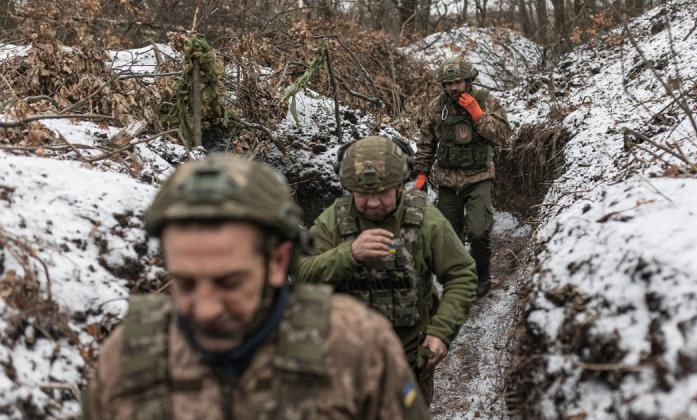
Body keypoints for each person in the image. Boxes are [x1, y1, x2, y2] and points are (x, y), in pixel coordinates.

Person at [82, 154, 429, 420]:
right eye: (185, 283)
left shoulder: (354, 346)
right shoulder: (128, 359)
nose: (205, 309)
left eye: (229, 282)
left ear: (277, 262)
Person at [296, 136, 477, 405]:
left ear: (399, 187)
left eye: (382, 193)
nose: (372, 203)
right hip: (346, 359)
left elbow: (461, 274)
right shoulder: (333, 222)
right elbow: (300, 273)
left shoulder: (426, 220)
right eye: (363, 194)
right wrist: (349, 253)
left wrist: (441, 331)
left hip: (409, 358)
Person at [414, 56, 512, 297]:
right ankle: (457, 280)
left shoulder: (486, 101)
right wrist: (421, 173)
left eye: (458, 82)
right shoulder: (436, 107)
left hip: (479, 177)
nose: (453, 88)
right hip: (447, 180)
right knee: (449, 235)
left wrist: (478, 115)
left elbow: (503, 136)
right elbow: (426, 142)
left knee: (479, 231)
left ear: (468, 81)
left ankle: (482, 274)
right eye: (448, 84)